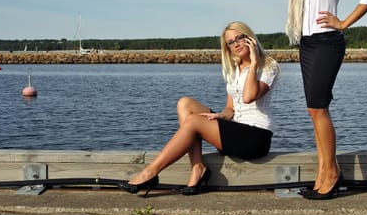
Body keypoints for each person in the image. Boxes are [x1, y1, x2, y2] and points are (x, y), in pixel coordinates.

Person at [264, 0, 367, 200]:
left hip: (328, 41)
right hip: (306, 43)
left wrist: (343, 22)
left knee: (318, 108)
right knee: (314, 110)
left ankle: (330, 174)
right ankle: (324, 171)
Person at [118, 21, 280, 196]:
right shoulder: (235, 68)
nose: (237, 44)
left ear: (250, 38)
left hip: (255, 138)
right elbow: (230, 108)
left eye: (240, 38)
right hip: (235, 132)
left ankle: (149, 173)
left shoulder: (268, 66)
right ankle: (197, 168)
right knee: (185, 104)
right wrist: (220, 116)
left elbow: (249, 97)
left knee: (194, 122)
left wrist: (254, 63)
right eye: (231, 42)